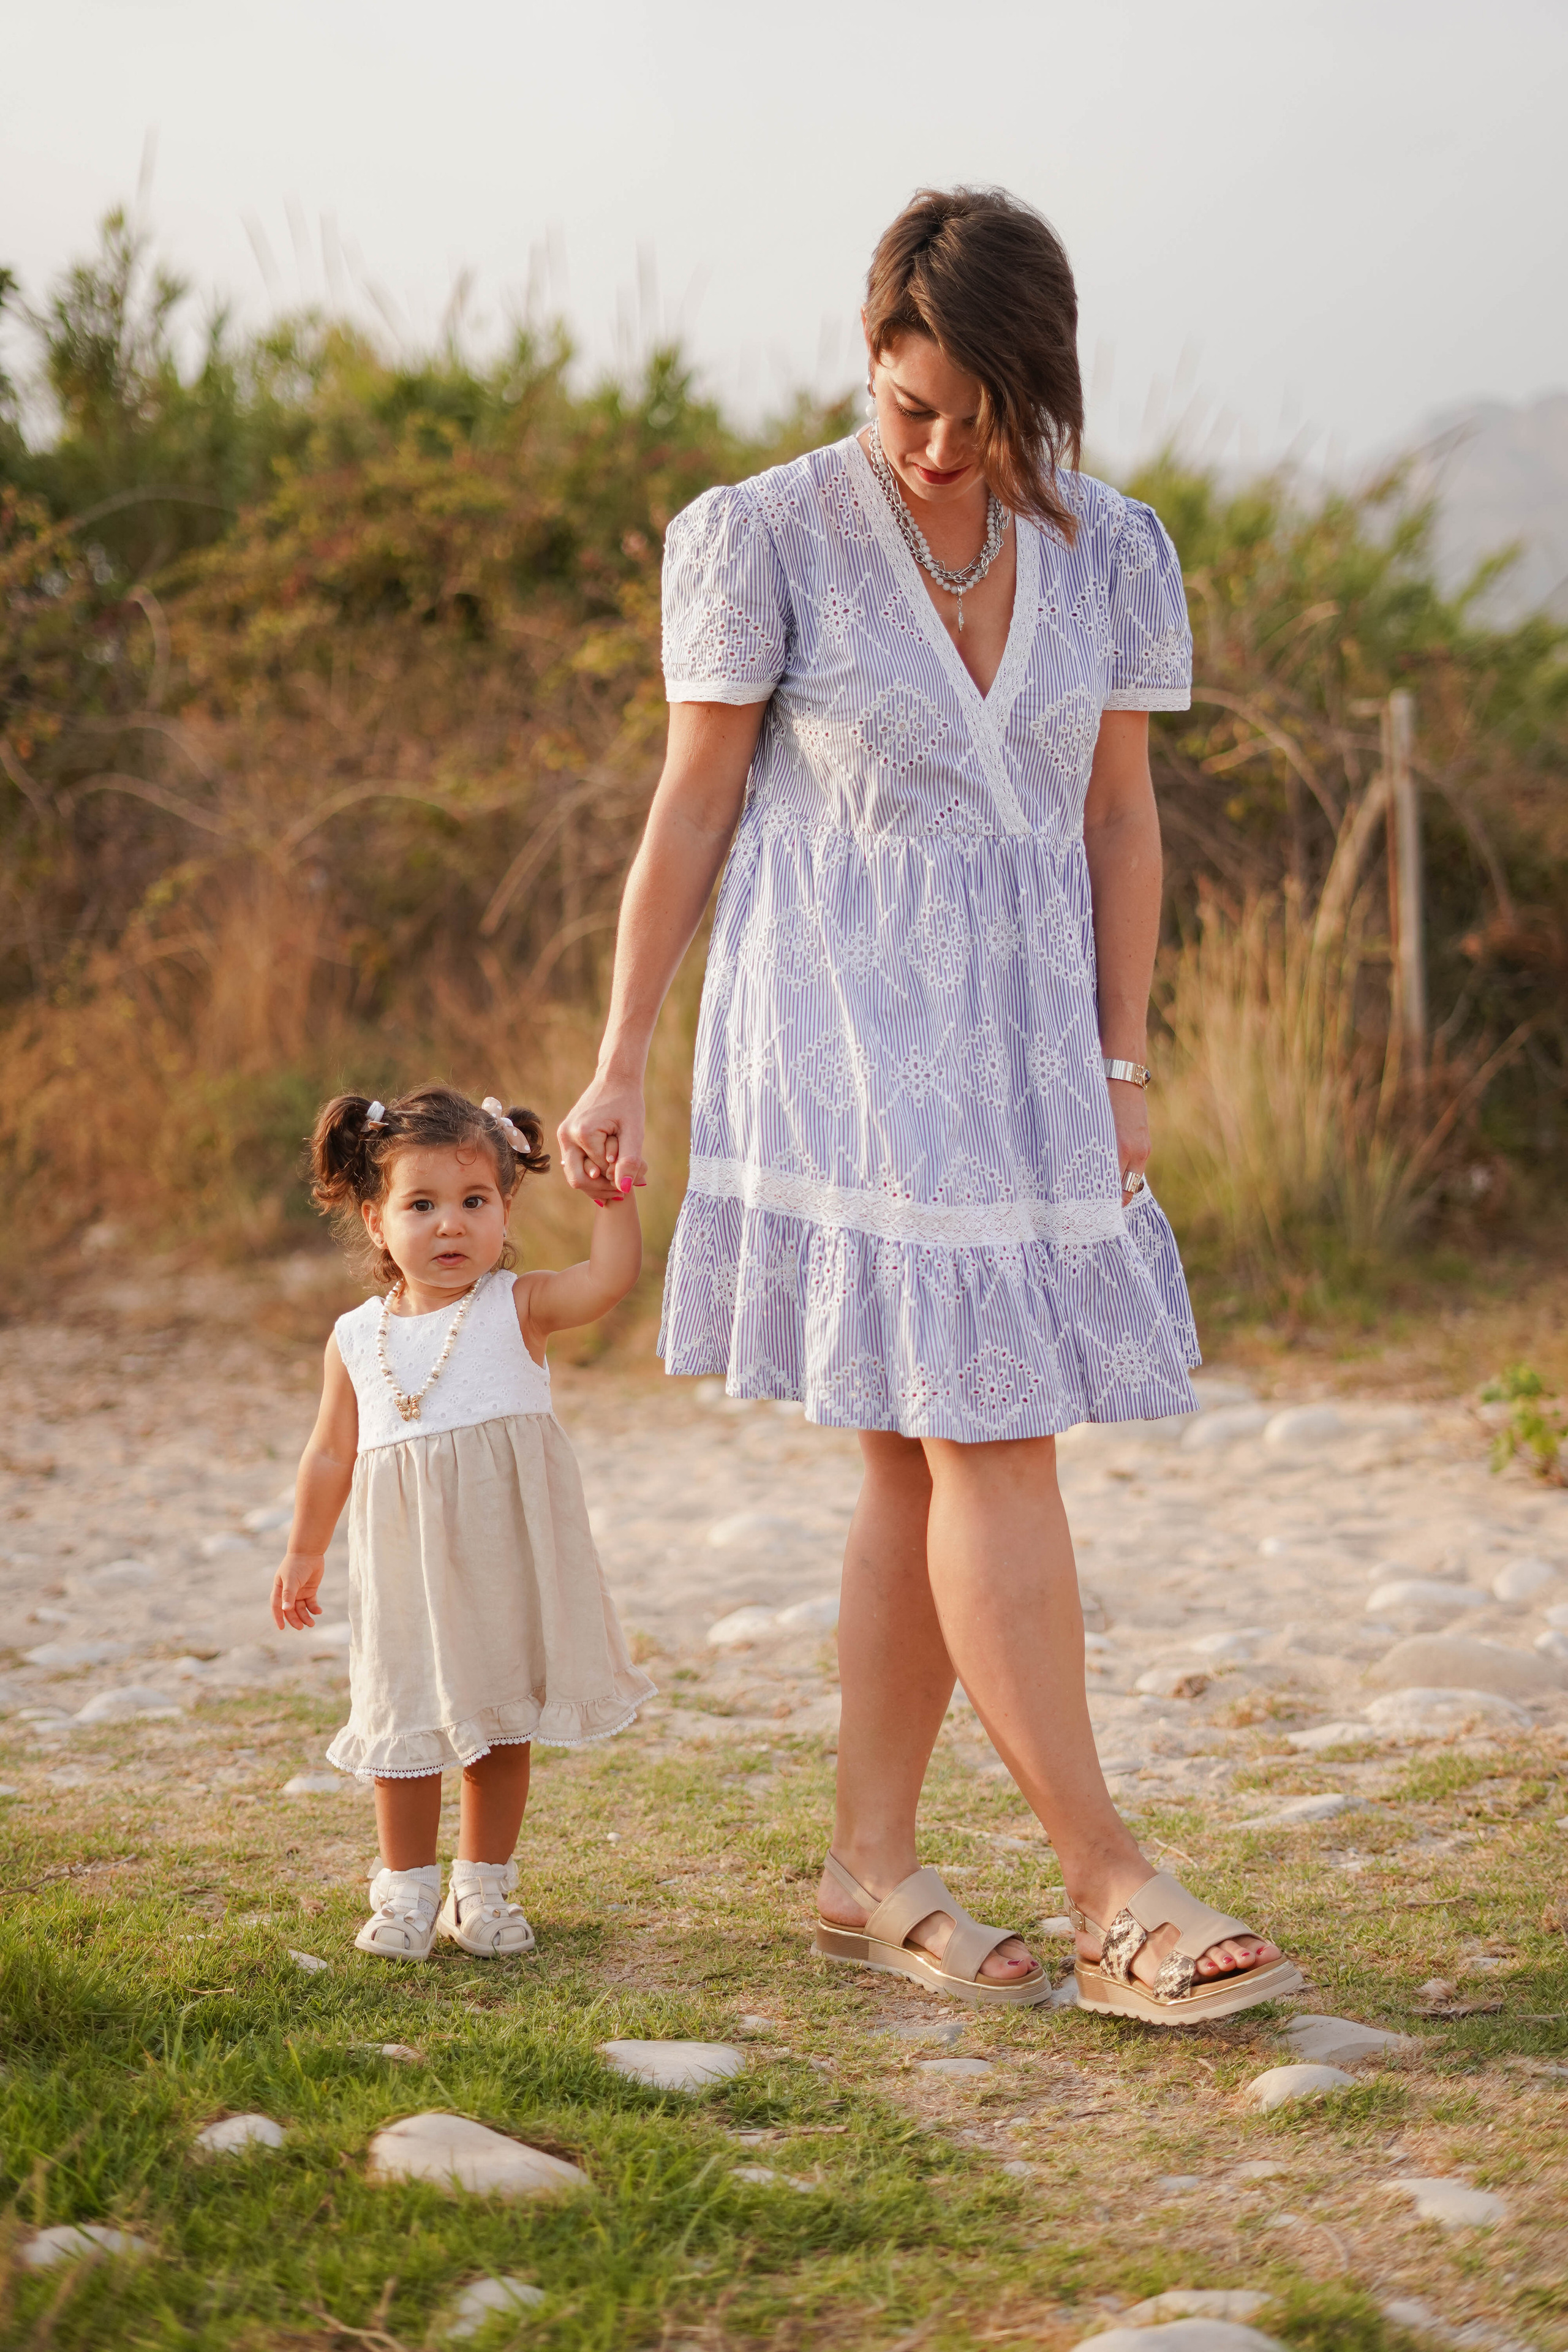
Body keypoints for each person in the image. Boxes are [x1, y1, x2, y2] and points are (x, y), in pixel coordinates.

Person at [559, 186, 1299, 2024]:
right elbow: (694, 804)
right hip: (840, 1044)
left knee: (921, 1443)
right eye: (912, 408)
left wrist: (1125, 1064)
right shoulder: (767, 534)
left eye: (985, 410)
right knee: (991, 1427)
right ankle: (1112, 1879)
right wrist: (617, 1051)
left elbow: (1118, 818)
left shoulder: (1118, 547)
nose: (947, 445)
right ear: (867, 365)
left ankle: (867, 1868)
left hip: (1035, 1044)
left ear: (1043, 385)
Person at [272, 1082, 655, 1961]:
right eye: (422, 1205)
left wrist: (613, 1202)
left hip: (501, 1561)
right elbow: (330, 1452)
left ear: (506, 1207)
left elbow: (609, 1280)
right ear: (375, 1220)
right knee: (402, 1725)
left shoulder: (517, 1308)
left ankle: (481, 1888)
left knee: (497, 1722)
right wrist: (304, 1550)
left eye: (474, 1202)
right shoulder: (356, 1338)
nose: (451, 1226)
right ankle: (404, 1891)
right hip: (403, 1569)